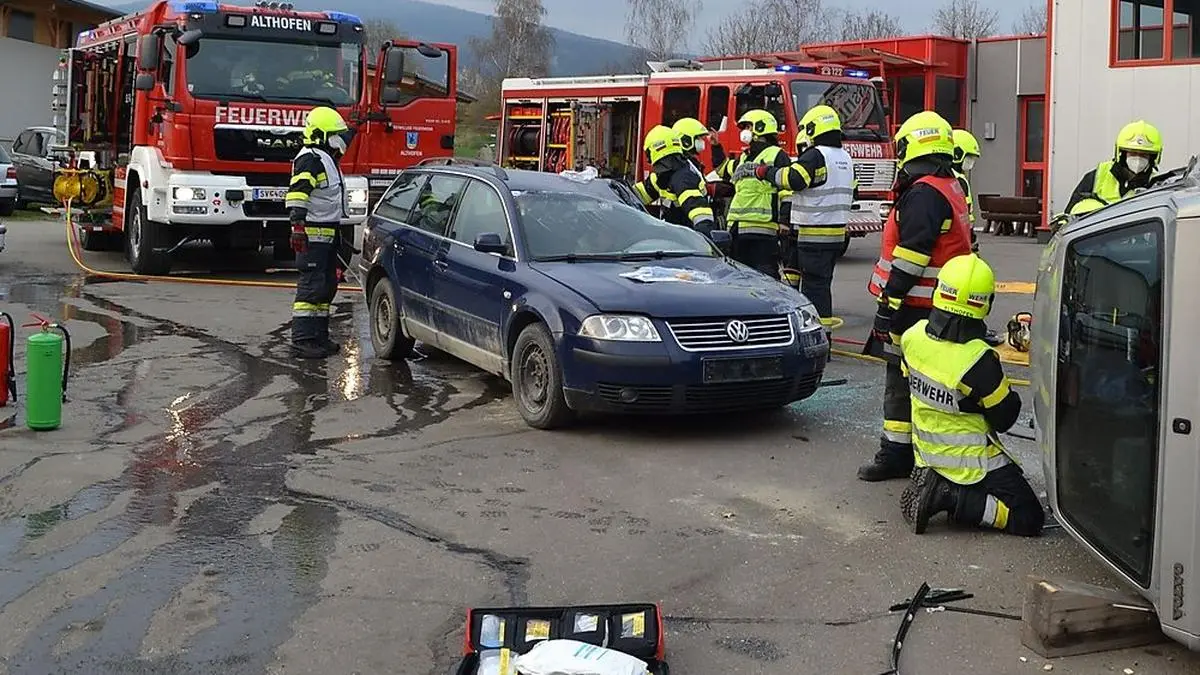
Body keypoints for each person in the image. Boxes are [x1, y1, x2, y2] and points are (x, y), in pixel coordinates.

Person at [858, 110, 973, 482]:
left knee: (903, 381)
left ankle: (898, 455)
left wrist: (888, 302)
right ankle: (920, 457)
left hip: (916, 308)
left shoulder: (923, 193)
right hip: (938, 305)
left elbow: (912, 257)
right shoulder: (948, 185)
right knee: (924, 383)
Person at [898, 253, 1044, 536]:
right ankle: (952, 497)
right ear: (987, 302)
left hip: (926, 453)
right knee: (1028, 518)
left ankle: (937, 483)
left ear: (938, 289)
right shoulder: (978, 361)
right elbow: (1005, 418)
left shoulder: (911, 337)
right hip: (970, 462)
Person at [750, 104, 853, 320]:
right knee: (820, 285)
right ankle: (820, 329)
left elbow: (793, 179)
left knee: (814, 289)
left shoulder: (815, 155)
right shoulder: (845, 158)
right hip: (835, 237)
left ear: (813, 128)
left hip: (814, 235)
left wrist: (765, 171)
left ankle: (817, 331)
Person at [286, 106, 354, 359]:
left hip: (328, 233)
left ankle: (319, 337)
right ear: (321, 135)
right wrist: (298, 227)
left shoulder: (327, 158)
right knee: (312, 287)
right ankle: (302, 340)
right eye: (335, 135)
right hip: (312, 235)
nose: (340, 140)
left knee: (326, 287)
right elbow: (298, 193)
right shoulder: (311, 159)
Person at [720, 109, 792, 278]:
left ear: (760, 128)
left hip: (763, 228)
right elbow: (725, 170)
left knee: (765, 274)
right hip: (737, 227)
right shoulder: (744, 157)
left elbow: (787, 191)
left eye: (748, 127)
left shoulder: (777, 155)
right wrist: (716, 146)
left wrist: (784, 220)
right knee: (738, 275)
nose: (745, 131)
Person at [1064, 120, 1162, 216]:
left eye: (1144, 155)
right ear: (1122, 154)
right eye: (1133, 153)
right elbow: (1070, 214)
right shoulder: (1098, 176)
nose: (1138, 159)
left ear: (1152, 158)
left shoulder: (1156, 184)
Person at [631, 125, 716, 236]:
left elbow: (698, 210)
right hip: (671, 236)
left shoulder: (682, 177)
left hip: (685, 240)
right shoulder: (663, 175)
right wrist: (615, 193)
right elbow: (639, 194)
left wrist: (704, 235)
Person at [951, 129, 981, 249]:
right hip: (960, 236)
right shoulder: (958, 180)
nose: (971, 162)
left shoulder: (948, 176)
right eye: (969, 157)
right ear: (957, 154)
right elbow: (964, 212)